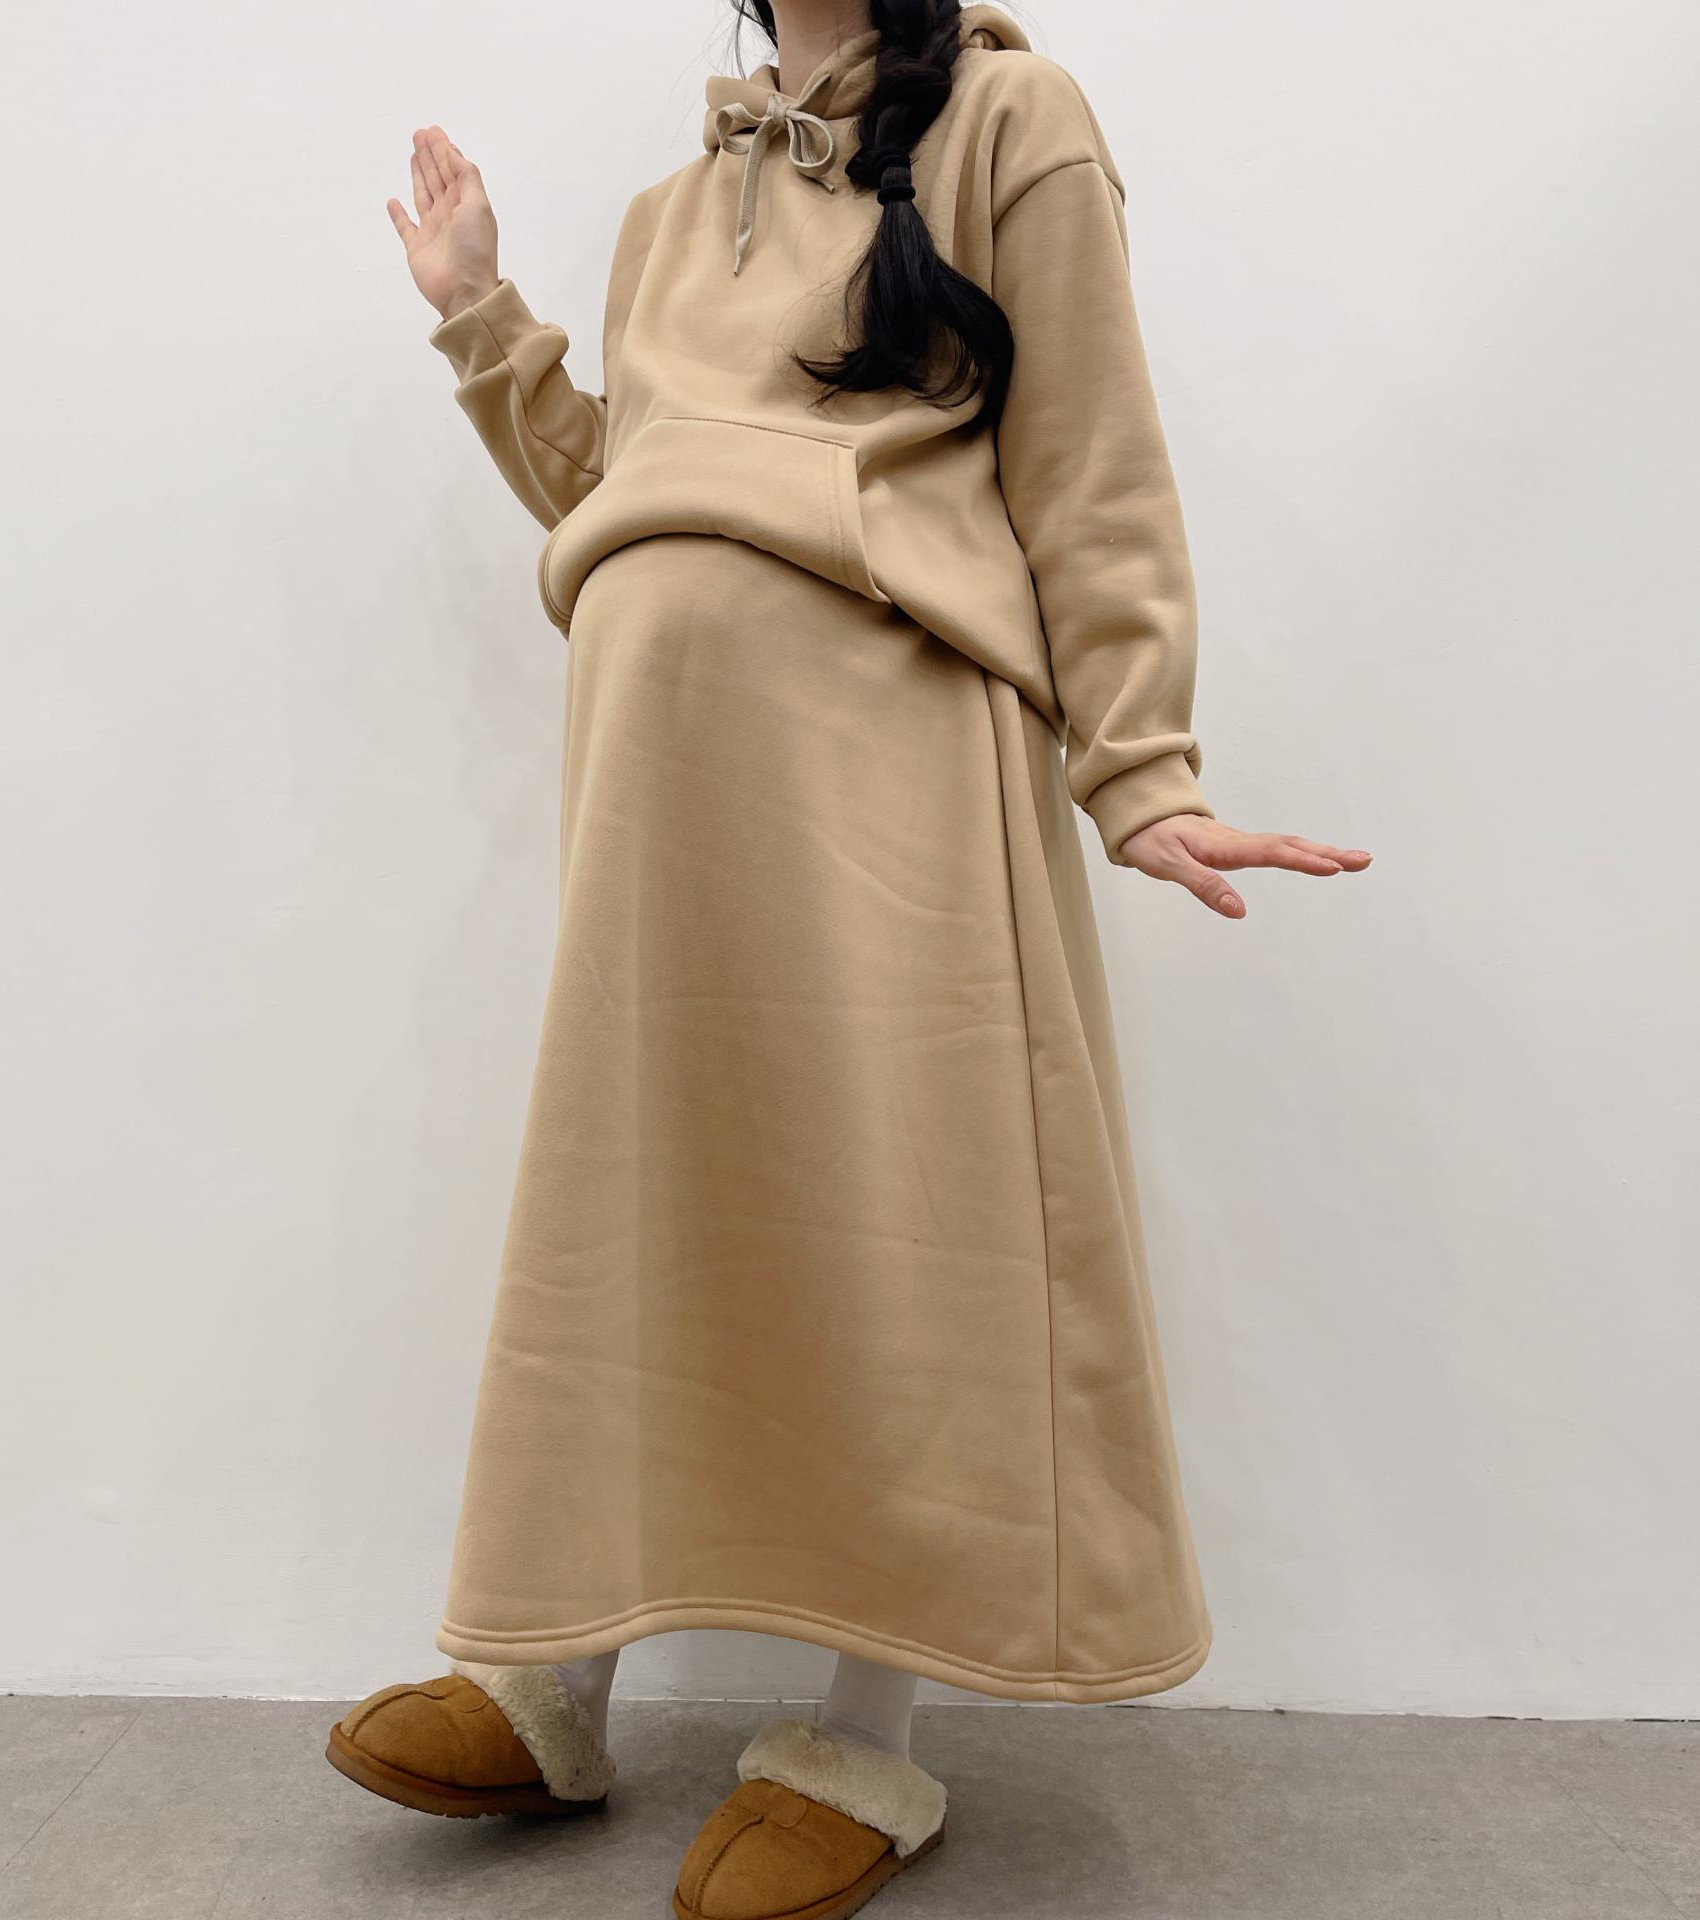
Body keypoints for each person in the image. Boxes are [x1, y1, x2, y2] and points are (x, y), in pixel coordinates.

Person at [328, 4, 1370, 1914]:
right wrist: (480, 315)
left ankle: (865, 1735)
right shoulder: (671, 211)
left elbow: (1092, 462)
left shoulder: (1016, 120)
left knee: (906, 1219)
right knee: (634, 1209)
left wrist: (1139, 767)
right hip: (660, 796)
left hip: (891, 774)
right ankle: (558, 1682)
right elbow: (623, 485)